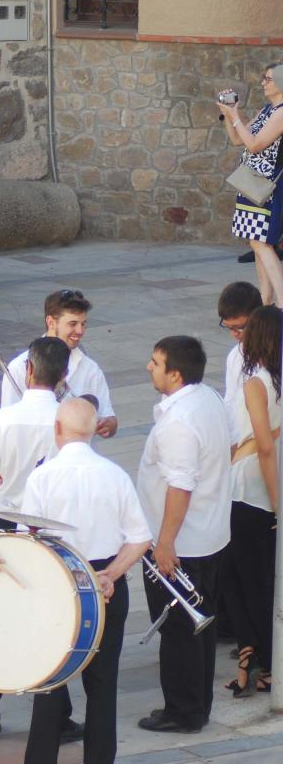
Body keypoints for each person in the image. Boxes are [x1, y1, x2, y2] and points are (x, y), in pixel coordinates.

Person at [21, 399, 152, 764]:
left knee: (49, 682)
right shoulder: (114, 474)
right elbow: (140, 537)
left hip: (58, 583)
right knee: (103, 684)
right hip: (107, 582)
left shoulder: (43, 476)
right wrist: (111, 573)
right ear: (93, 431)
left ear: (58, 430)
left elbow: (27, 540)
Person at [0, 337, 80, 743]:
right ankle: (57, 715)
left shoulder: (1, 419)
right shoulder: (66, 421)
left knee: (0, 616)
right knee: (51, 619)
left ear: (28, 372)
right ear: (64, 377)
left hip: (4, 522)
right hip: (48, 527)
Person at [136, 336, 231, 733]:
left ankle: (183, 711)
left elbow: (180, 485)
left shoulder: (178, 422)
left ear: (174, 374)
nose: (148, 368)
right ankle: (197, 705)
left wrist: (165, 542)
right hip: (209, 535)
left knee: (177, 631)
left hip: (182, 545)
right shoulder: (207, 397)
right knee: (199, 629)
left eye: (155, 363)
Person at [221, 306, 281, 698]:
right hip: (267, 482)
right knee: (260, 576)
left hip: (253, 488)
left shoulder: (254, 381)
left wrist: (277, 504)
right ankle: (257, 657)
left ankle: (254, 656)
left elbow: (262, 446)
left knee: (244, 577)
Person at [1, 289, 118, 438]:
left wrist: (109, 425)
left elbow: (109, 417)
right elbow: (8, 426)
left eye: (83, 324)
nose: (80, 331)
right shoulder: (18, 368)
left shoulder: (90, 369)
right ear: (51, 322)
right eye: (73, 324)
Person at [221, 63, 283, 306]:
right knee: (257, 243)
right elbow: (239, 139)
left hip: (266, 186)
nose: (263, 83)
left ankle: (281, 304)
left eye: (268, 79)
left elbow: (256, 145)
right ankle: (267, 303)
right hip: (250, 183)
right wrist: (230, 114)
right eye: (263, 78)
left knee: (261, 242)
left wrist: (235, 118)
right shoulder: (269, 109)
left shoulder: (281, 113)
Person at [219, 281, 264, 447]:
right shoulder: (235, 356)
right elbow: (230, 404)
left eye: (239, 327)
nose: (234, 334)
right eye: (228, 328)